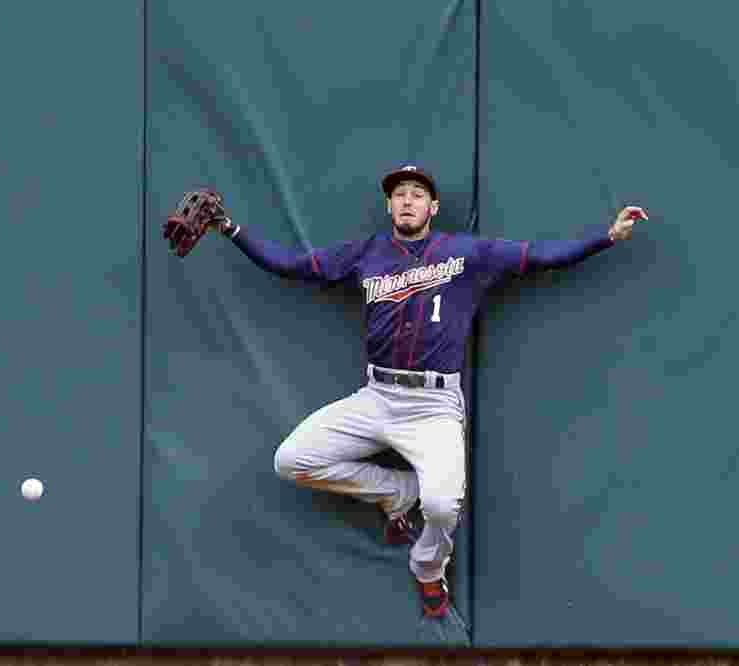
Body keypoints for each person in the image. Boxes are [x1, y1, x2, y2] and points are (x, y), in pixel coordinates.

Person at [208, 164, 645, 618]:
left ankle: (428, 567)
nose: (408, 201)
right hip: (377, 396)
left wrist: (606, 236)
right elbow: (291, 265)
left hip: (434, 406)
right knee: (291, 460)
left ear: (433, 206)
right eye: (399, 194)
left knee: (441, 506)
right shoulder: (366, 253)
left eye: (417, 194)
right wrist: (230, 228)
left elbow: (538, 256)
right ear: (389, 205)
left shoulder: (466, 253)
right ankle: (396, 493)